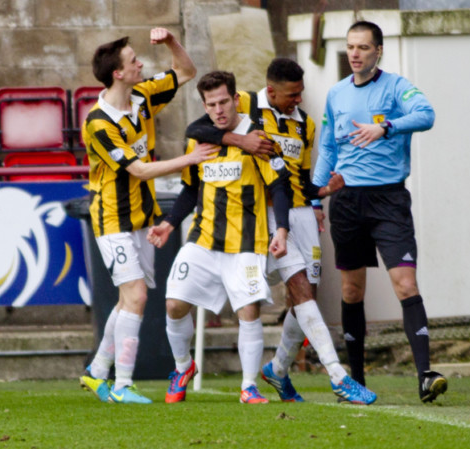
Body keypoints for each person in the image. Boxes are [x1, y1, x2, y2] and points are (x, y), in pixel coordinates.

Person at [185, 58, 376, 405]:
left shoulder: (307, 125)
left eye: (300, 94)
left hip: (302, 214)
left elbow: (300, 178)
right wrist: (239, 142)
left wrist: (323, 192)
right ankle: (337, 375)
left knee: (305, 298)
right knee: (299, 289)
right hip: (267, 213)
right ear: (271, 91)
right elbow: (197, 129)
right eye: (291, 95)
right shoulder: (244, 104)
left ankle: (278, 370)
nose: (298, 100)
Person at [78, 29, 215, 405]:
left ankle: (96, 372)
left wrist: (172, 41)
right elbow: (136, 170)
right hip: (111, 220)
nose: (141, 64)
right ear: (118, 74)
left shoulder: (142, 96)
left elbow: (186, 71)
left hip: (141, 217)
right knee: (136, 296)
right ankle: (122, 384)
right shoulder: (98, 123)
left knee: (127, 301)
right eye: (133, 60)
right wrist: (189, 159)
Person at [313, 21, 447, 403]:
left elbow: (427, 115)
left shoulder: (397, 87)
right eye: (351, 47)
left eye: (364, 48)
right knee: (352, 291)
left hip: (388, 201)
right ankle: (356, 380)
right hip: (347, 203)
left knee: (406, 284)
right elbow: (328, 151)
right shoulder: (336, 94)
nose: (355, 54)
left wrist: (385, 128)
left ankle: (425, 375)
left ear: (379, 52)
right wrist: (313, 198)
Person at [148, 70, 292, 404]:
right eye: (211, 104)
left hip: (246, 242)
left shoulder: (257, 138)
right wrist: (169, 223)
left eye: (224, 101)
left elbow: (278, 187)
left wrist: (281, 230)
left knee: (248, 311)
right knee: (173, 303)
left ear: (236, 99)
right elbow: (190, 188)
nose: (219, 109)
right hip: (203, 240)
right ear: (204, 105)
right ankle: (183, 366)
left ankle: (248, 386)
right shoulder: (199, 139)